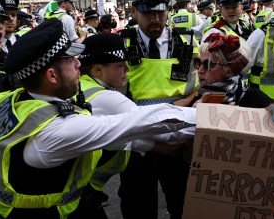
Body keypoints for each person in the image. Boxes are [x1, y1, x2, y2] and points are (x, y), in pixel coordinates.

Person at [0, 18, 196, 219]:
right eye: (71, 60)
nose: (80, 64)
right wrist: (215, 120)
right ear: (51, 76)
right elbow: (137, 122)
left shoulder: (18, 98)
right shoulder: (58, 129)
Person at [77, 33, 193, 217]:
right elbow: (158, 128)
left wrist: (153, 146)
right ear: (97, 69)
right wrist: (204, 116)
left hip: (78, 189)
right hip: (78, 195)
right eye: (120, 66)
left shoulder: (82, 87)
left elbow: (116, 137)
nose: (127, 71)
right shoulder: (108, 99)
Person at [117, 0, 199, 219]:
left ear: (168, 11)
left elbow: (196, 89)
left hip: (178, 140)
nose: (154, 19)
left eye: (160, 11)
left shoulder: (186, 41)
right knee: (138, 206)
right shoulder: (121, 44)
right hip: (137, 139)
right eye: (147, 11)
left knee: (182, 203)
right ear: (133, 11)